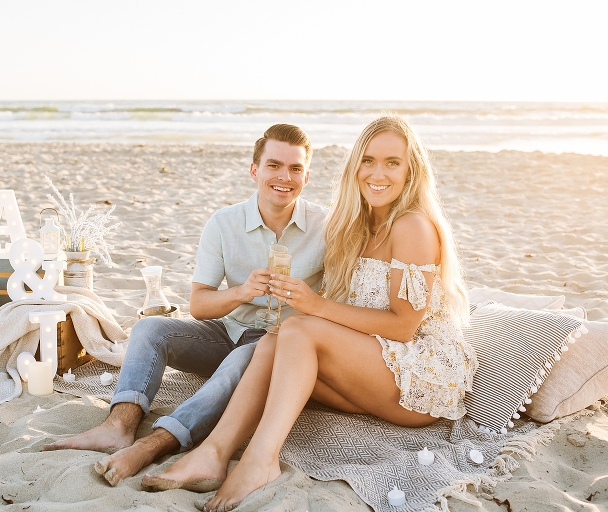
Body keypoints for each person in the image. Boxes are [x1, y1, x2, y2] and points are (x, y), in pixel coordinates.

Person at [142, 115, 478, 511]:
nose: (377, 173)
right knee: (273, 338)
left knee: (299, 328)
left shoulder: (411, 226)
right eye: (368, 160)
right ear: (354, 166)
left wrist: (316, 307)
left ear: (411, 170)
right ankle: (213, 453)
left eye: (392, 162)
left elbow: (404, 328)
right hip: (373, 365)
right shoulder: (359, 224)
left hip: (419, 379)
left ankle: (260, 460)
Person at [42, 124, 328, 486]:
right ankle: (119, 426)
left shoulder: (326, 226)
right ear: (254, 170)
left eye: (295, 168)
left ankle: (157, 443)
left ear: (307, 175)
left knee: (245, 359)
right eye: (273, 165)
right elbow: (199, 304)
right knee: (149, 328)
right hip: (227, 332)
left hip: (281, 346)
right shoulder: (224, 223)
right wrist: (241, 292)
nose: (284, 177)